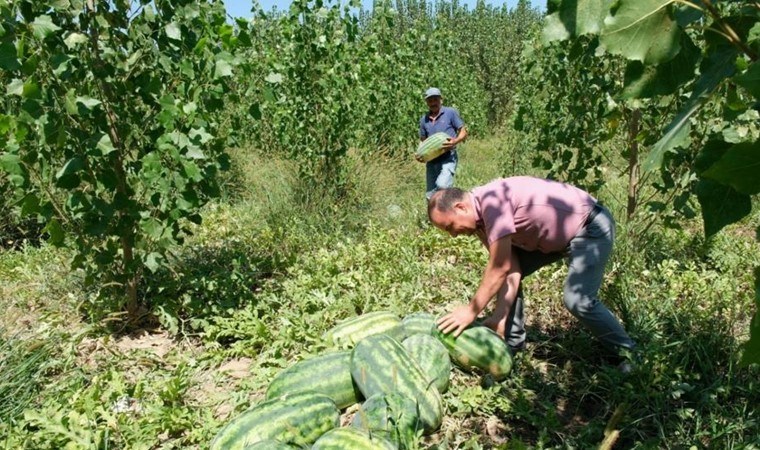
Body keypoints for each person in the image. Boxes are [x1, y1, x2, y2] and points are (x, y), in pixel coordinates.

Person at [429, 176, 636, 364]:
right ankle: (511, 342)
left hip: (589, 226)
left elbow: (499, 268)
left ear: (461, 207)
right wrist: (499, 316)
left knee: (578, 300)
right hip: (552, 240)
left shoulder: (493, 202)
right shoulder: (479, 222)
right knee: (501, 276)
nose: (453, 235)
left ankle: (628, 354)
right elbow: (509, 267)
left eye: (450, 227)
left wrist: (471, 310)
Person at [417, 87, 467, 200]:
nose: (433, 103)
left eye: (435, 99)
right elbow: (423, 141)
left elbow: (463, 131)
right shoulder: (423, 119)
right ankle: (435, 217)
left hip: (448, 157)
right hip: (432, 160)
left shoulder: (450, 112)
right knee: (430, 196)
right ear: (426, 102)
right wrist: (419, 154)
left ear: (441, 99)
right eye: (430, 100)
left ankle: (451, 211)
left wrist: (455, 141)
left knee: (442, 185)